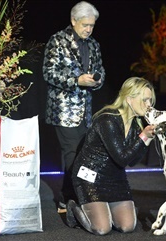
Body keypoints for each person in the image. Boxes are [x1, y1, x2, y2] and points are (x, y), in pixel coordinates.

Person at [65, 77, 156, 235]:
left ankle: (103, 209)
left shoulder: (136, 125)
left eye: (150, 100)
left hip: (114, 179)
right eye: (145, 100)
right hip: (90, 178)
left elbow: (133, 161)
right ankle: (74, 208)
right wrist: (143, 136)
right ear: (129, 99)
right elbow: (122, 158)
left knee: (127, 226)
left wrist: (146, 139)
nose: (149, 105)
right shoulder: (108, 120)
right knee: (102, 229)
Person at [42, 1, 105, 211]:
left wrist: (97, 80)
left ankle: (73, 195)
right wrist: (76, 80)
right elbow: (48, 73)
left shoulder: (94, 44)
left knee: (84, 153)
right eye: (85, 25)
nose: (88, 29)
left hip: (86, 112)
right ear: (73, 20)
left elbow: (101, 72)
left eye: (92, 25)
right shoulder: (57, 40)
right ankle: (73, 197)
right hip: (63, 110)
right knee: (72, 153)